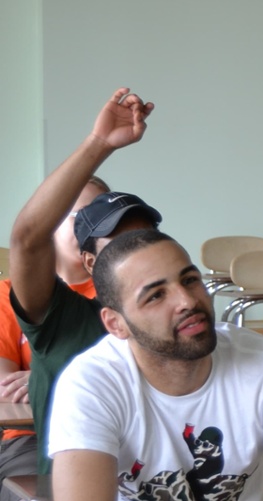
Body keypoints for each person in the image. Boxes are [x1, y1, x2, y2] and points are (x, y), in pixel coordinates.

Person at [47, 230, 263, 500]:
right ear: (116, 324)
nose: (187, 301)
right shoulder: (90, 384)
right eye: (156, 295)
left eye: (189, 280)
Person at [7, 88, 162, 476]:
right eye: (78, 220)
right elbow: (28, 238)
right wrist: (98, 144)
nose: (128, 247)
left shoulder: (164, 311)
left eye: (138, 237)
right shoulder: (64, 319)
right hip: (55, 456)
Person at [0, 176, 110, 492]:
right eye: (81, 216)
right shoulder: (8, 295)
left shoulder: (122, 293)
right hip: (32, 436)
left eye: (101, 217)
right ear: (53, 223)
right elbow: (5, 390)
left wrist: (41, 377)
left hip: (115, 427)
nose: (92, 227)